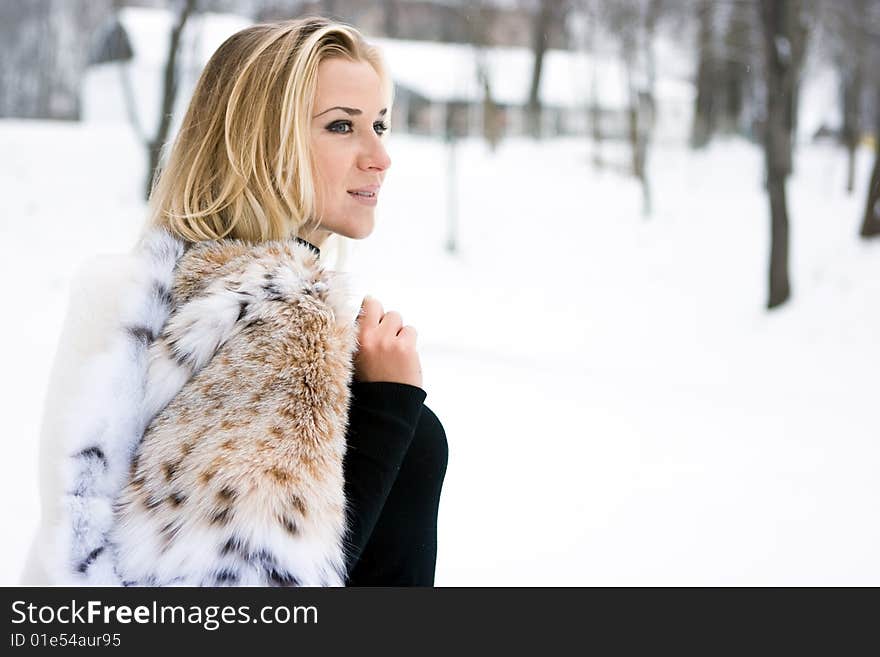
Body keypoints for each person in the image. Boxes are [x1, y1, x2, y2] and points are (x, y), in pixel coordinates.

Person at [21, 16, 447, 587]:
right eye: (342, 126)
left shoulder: (158, 299)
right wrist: (391, 409)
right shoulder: (269, 313)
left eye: (380, 124)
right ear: (262, 145)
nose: (379, 155)